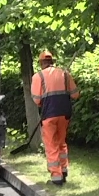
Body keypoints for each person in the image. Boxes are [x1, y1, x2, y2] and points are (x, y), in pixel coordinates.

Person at [30, 50, 79, 186]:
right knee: (61, 142)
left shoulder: (38, 76)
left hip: (48, 114)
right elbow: (75, 95)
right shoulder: (65, 74)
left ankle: (56, 177)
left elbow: (36, 99)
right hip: (65, 113)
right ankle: (63, 170)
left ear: (41, 63)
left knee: (51, 144)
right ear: (52, 61)